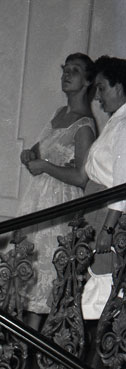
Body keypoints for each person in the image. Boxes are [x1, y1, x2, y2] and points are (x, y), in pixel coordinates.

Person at [18, 53, 96, 322]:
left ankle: (40, 344)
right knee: (29, 275)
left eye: (75, 70)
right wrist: (30, 154)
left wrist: (45, 166)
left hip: (60, 205)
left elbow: (81, 177)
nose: (67, 74)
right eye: (65, 69)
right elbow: (41, 150)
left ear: (88, 81)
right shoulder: (59, 113)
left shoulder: (84, 125)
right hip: (39, 200)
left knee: (48, 279)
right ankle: (25, 342)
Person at [84, 55, 126, 253]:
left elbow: (122, 182)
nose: (97, 96)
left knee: (102, 270)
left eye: (101, 88)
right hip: (98, 207)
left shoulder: (124, 124)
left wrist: (108, 229)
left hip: (107, 212)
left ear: (118, 87)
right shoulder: (117, 120)